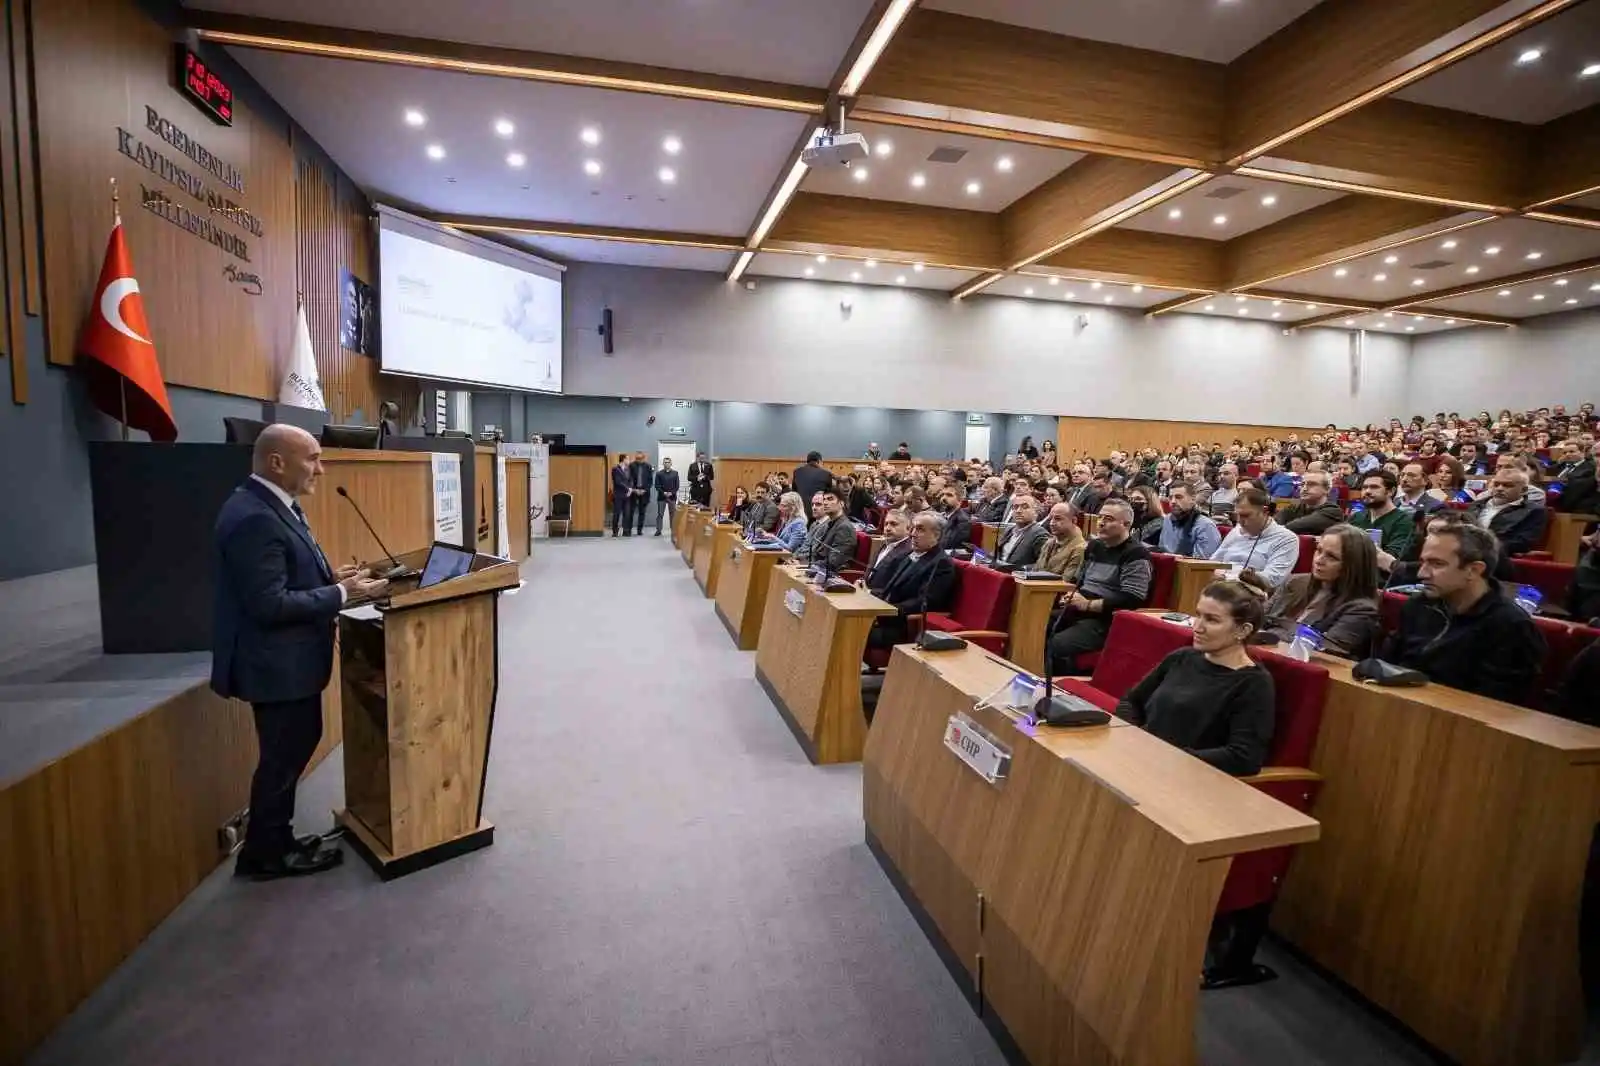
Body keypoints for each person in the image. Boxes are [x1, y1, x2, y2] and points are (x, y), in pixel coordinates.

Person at [212, 425, 388, 879]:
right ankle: (266, 855)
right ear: (276, 462)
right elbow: (268, 604)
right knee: (282, 757)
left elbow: (285, 576)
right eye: (312, 458)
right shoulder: (254, 516)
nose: (321, 469)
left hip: (287, 661)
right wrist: (338, 594)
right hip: (276, 664)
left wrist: (333, 578)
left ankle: (275, 840)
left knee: (290, 750)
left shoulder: (268, 506)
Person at [1117, 580, 1274, 777]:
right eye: (1198, 615)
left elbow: (1243, 757)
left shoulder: (1253, 684)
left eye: (1212, 620)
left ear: (1243, 630)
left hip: (1187, 778)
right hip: (1138, 760)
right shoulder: (1182, 657)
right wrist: (1133, 737)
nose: (1197, 627)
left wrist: (1170, 758)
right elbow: (1131, 701)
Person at [1381, 523, 1545, 704]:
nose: (1422, 573)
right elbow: (1387, 666)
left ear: (1473, 570)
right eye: (1423, 562)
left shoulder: (1512, 626)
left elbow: (1496, 708)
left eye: (1437, 564)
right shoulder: (1417, 605)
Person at [1048, 500, 1154, 675]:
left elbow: (1133, 599)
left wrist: (1088, 604)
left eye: (1109, 519)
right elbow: (1079, 580)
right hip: (1077, 609)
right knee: (1035, 627)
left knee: (1057, 644)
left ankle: (1060, 690)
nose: (1101, 522)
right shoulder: (1095, 546)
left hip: (1105, 620)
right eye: (1099, 517)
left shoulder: (1136, 555)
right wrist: (1070, 595)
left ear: (1126, 524)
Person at [1262, 524, 1382, 658]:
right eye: (1319, 551)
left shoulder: (1361, 610)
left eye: (1331, 557)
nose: (1319, 560)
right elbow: (1256, 620)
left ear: (1353, 566)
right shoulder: (1295, 582)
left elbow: (1322, 653)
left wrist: (1271, 632)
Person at [868, 512, 957, 648]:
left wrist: (885, 611)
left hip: (905, 627)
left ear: (937, 535)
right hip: (885, 618)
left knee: (853, 630)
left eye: (920, 529)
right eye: (913, 528)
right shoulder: (910, 554)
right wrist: (869, 594)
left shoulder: (941, 564)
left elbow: (923, 602)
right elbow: (890, 590)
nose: (912, 534)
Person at [1209, 488, 1301, 590]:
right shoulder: (1236, 530)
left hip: (1250, 594)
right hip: (1219, 587)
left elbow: (1271, 580)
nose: (1240, 521)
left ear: (1265, 511)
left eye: (1246, 516)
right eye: (1237, 515)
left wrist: (1226, 577)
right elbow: (1213, 562)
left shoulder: (1286, 539)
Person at [1468, 467, 1548, 559]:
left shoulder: (1534, 511)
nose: (1499, 489)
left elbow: (1522, 543)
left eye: (1507, 485)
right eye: (1496, 484)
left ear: (1524, 490)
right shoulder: (1476, 505)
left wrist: (1482, 549)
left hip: (1499, 558)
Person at [1348, 468, 1415, 561]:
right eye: (1364, 487)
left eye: (1374, 487)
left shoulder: (1403, 521)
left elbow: (1393, 557)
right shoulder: (1356, 517)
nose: (1367, 491)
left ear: (1391, 491)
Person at [794, 489, 858, 572]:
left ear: (841, 504)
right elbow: (816, 553)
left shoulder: (844, 527)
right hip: (816, 568)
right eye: (824, 499)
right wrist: (799, 560)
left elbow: (834, 562)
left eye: (830, 499)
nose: (825, 502)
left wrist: (804, 564)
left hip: (828, 575)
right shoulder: (831, 524)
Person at [1153, 481, 1222, 558]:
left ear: (1193, 499)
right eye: (1170, 497)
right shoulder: (1167, 519)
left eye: (1179, 497)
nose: (1173, 502)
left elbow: (1202, 562)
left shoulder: (1206, 525)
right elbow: (1161, 550)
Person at [1273, 472, 1344, 535]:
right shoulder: (1293, 508)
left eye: (1311, 484)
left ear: (1327, 489)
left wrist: (1277, 531)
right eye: (1302, 484)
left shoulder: (1333, 512)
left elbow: (1300, 525)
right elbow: (1272, 525)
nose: (1304, 488)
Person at [864, 509, 913, 594]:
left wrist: (869, 592)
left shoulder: (908, 552)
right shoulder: (885, 545)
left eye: (894, 524)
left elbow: (896, 590)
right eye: (886, 524)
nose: (888, 528)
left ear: (908, 528)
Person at [995, 495, 1048, 568]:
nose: (1018, 511)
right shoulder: (1009, 530)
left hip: (1017, 576)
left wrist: (1020, 569)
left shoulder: (1040, 534)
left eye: (1025, 507)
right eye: (1015, 507)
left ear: (1036, 512)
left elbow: (1043, 565)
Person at [1035, 502, 1087, 578]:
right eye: (1050, 518)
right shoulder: (1048, 543)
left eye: (1058, 519)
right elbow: (1035, 571)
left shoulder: (1080, 549)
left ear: (1074, 521)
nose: (1051, 523)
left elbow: (1066, 583)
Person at [625, 451, 653, 536]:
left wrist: (645, 490)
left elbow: (650, 480)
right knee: (631, 512)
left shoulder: (648, 466)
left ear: (643, 458)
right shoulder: (631, 465)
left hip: (644, 492)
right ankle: (628, 530)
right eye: (637, 458)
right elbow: (629, 479)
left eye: (640, 458)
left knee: (642, 512)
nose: (638, 460)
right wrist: (634, 489)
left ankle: (639, 530)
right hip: (634, 492)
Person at [936, 486, 973, 551]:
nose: (943, 498)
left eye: (949, 495)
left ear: (960, 500)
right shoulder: (941, 516)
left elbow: (947, 545)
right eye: (942, 495)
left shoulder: (962, 521)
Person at [652, 458, 679, 537]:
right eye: (665, 462)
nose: (667, 464)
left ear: (671, 463)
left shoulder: (675, 473)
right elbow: (657, 485)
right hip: (661, 497)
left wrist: (671, 493)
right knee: (660, 514)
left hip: (672, 497)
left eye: (668, 462)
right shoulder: (659, 474)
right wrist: (663, 492)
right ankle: (658, 530)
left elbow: (677, 486)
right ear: (663, 464)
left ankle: (673, 530)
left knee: (672, 514)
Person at [610, 453, 632, 537]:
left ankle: (625, 531)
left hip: (627, 495)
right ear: (623, 460)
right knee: (617, 513)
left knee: (627, 513)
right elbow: (618, 481)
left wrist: (630, 489)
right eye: (628, 459)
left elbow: (630, 481)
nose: (629, 461)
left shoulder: (628, 469)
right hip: (618, 495)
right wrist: (628, 489)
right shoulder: (615, 469)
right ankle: (615, 531)